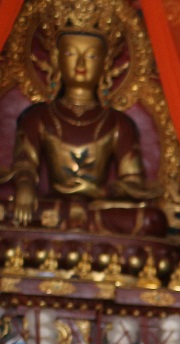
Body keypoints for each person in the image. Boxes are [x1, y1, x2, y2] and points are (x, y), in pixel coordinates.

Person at [6, 26, 164, 236]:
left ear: (105, 64)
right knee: (6, 210)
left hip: (92, 210)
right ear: (56, 59)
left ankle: (75, 220)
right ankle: (74, 220)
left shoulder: (119, 123)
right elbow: (25, 163)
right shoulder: (37, 116)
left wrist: (104, 192)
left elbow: (132, 182)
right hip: (52, 207)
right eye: (71, 54)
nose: (81, 64)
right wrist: (25, 187)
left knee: (153, 219)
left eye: (91, 56)